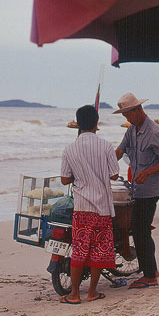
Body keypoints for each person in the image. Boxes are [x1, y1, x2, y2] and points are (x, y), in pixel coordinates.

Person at [60, 105, 120, 304]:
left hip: (82, 207)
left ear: (77, 124)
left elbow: (64, 179)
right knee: (100, 249)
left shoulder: (70, 148)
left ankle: (75, 294)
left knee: (79, 248)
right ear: (96, 124)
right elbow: (114, 174)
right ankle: (92, 292)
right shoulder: (105, 146)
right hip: (102, 207)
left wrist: (81, 174)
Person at [114, 93, 159, 289]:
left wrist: (147, 172)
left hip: (151, 189)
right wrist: (105, 164)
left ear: (138, 110)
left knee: (139, 230)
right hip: (137, 188)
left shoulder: (155, 132)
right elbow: (120, 150)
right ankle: (152, 269)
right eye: (124, 116)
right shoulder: (131, 130)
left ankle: (149, 276)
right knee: (142, 229)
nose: (127, 119)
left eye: (128, 114)